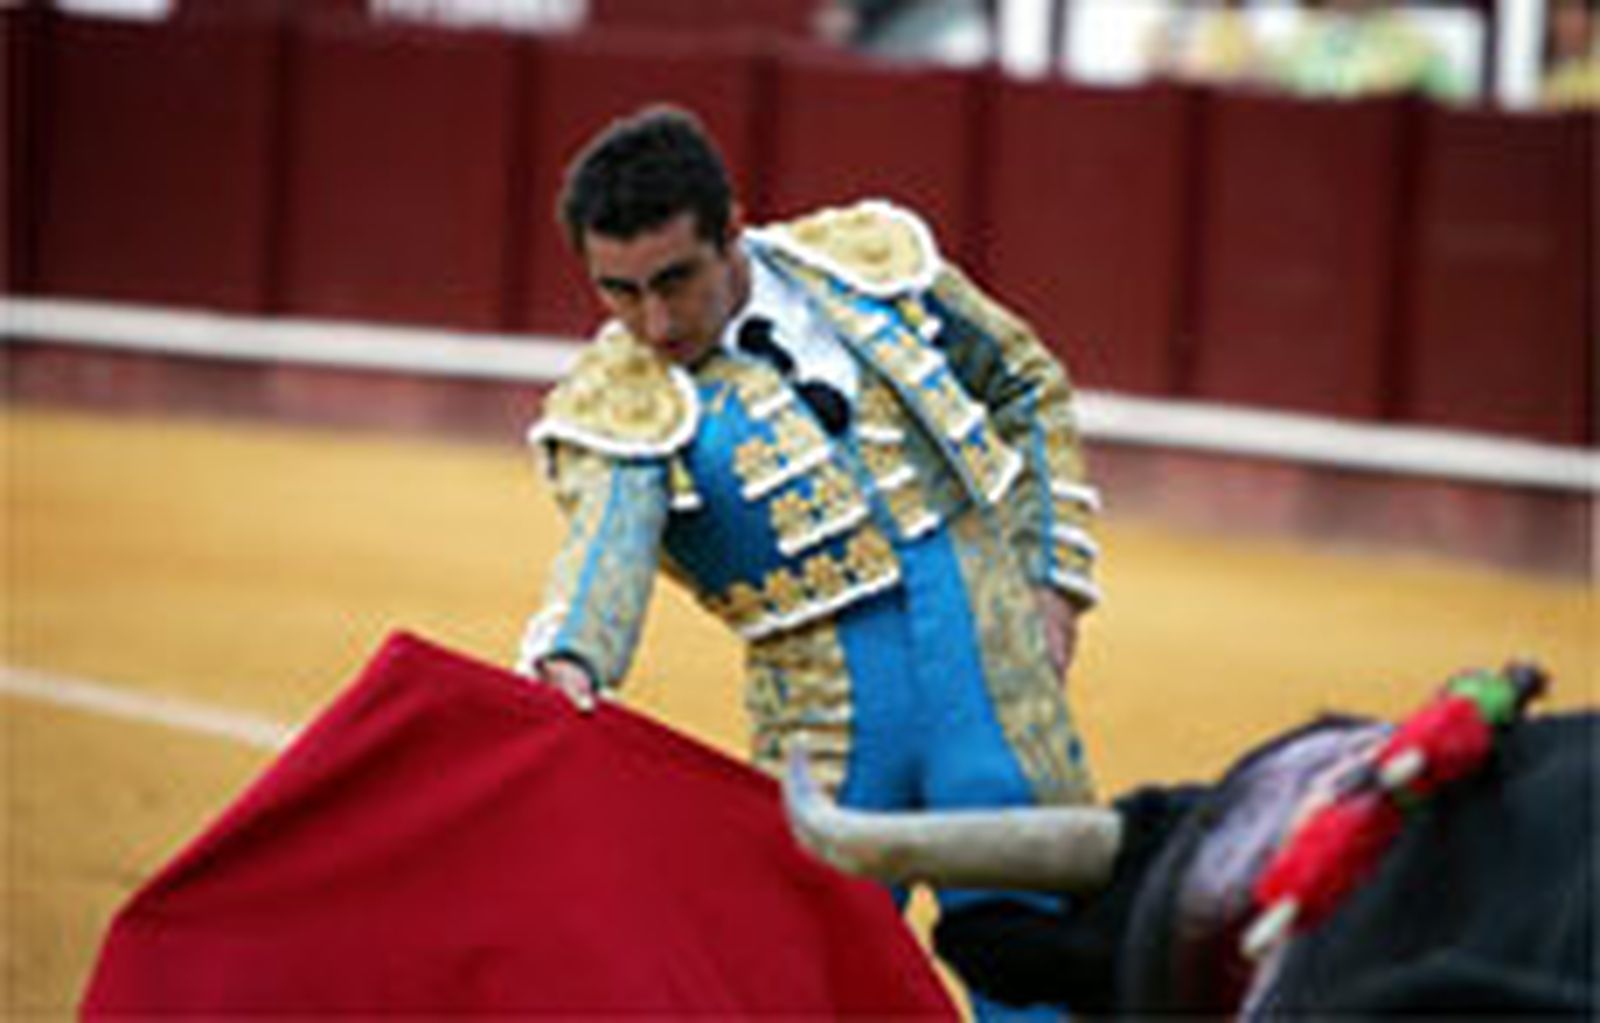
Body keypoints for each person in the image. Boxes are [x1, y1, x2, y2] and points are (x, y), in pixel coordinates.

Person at [516, 105, 1101, 1016]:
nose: (656, 321)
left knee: (1038, 954)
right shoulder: (616, 396)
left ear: (732, 230)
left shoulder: (864, 265)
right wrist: (571, 657)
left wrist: (1053, 578)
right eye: (620, 292)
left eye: (676, 279)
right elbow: (606, 547)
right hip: (823, 708)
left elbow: (1025, 382)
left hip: (989, 662)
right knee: (799, 981)